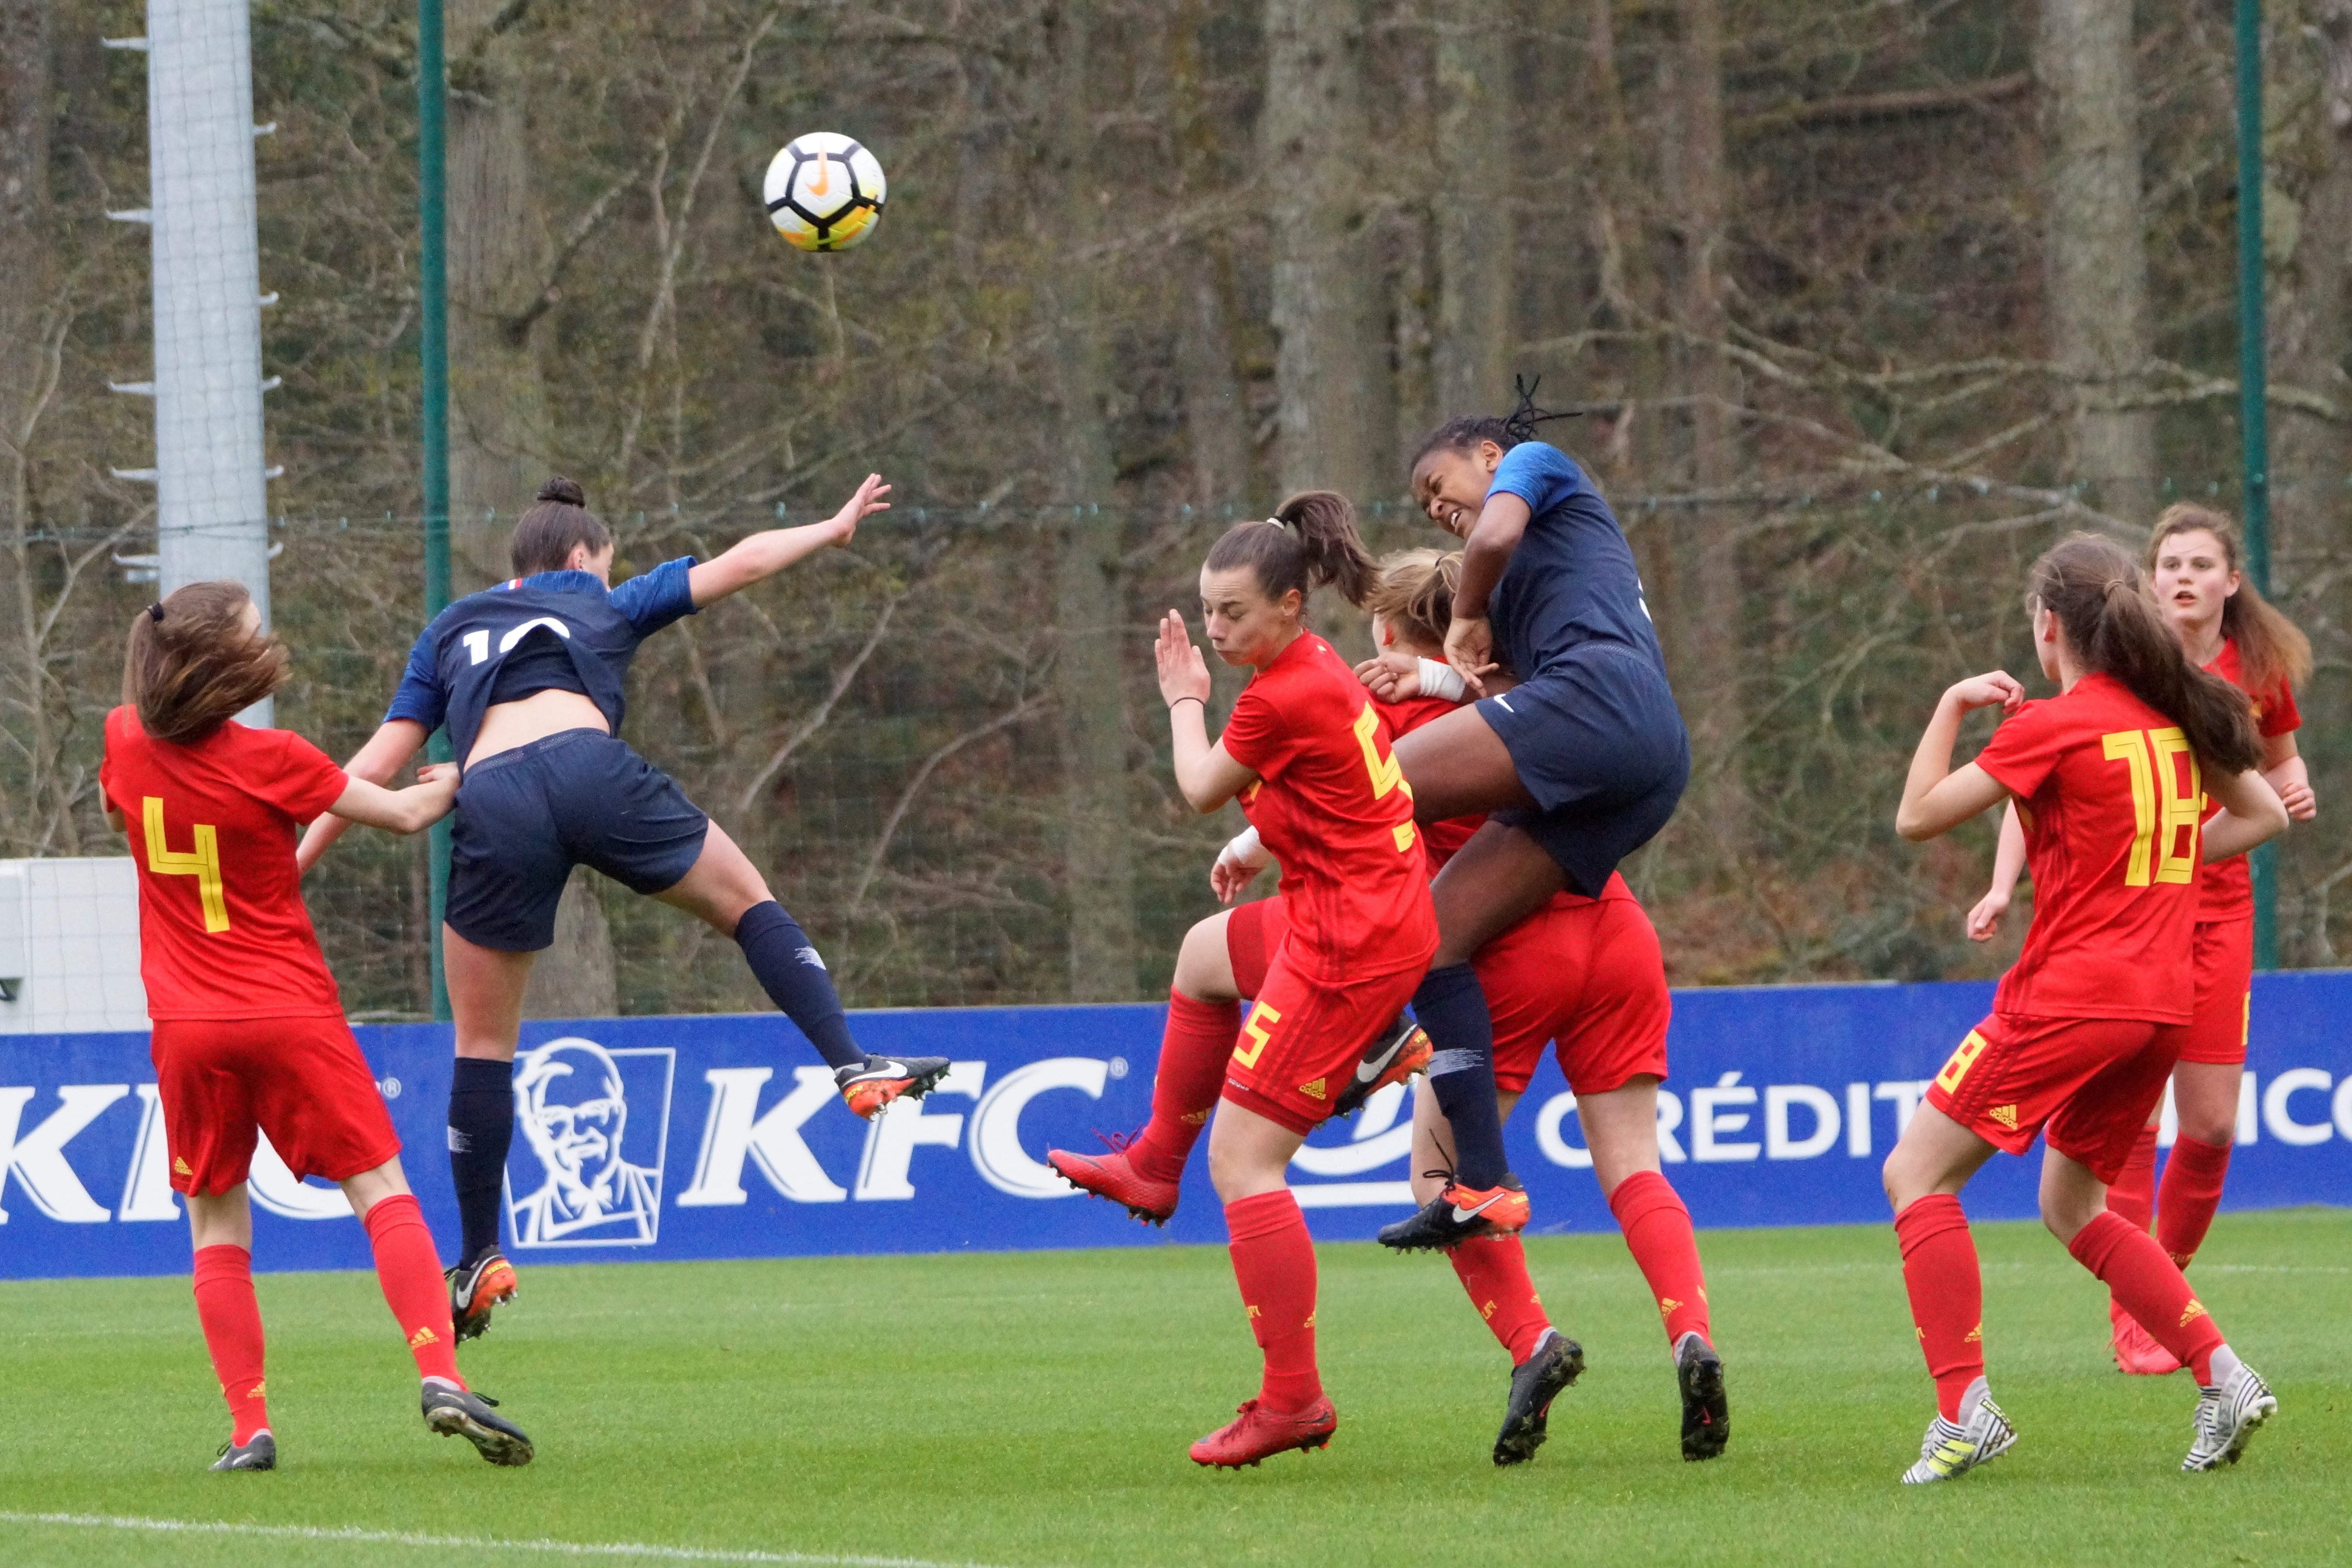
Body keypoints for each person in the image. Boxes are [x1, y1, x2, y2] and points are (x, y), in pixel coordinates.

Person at [1052, 549, 1724, 1466]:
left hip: (1484, 944)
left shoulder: (1377, 695)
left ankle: (1524, 1337)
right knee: (1633, 1165)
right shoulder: (1538, 705)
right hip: (1614, 930)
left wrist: (1247, 828)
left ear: (1383, 632)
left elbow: (1330, 791)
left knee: (1424, 1179)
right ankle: (1691, 1332)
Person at [296, 475, 948, 1339]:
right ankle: (850, 1064)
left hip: (492, 798)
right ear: (578, 561)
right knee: (748, 902)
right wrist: (830, 530)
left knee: (483, 1042)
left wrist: (293, 859)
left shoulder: (449, 626)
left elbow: (373, 763)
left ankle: (481, 1252)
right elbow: (738, 563)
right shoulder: (599, 601)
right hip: (591, 770)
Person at [101, 582, 531, 1471]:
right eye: (257, 631)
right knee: (380, 1192)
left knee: (217, 1225)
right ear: (224, 660)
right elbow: (409, 813)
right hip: (288, 1009)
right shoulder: (277, 757)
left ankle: (250, 1426)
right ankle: (439, 1373)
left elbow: (122, 812)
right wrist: (455, 777)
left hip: (186, 1024)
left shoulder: (121, 741)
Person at [1887, 534, 2287, 1484]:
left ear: (2047, 626)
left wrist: (1949, 706)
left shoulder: (2057, 722)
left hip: (2070, 994)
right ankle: (2221, 1374)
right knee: (2073, 1203)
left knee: (1916, 1173)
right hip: (2160, 1002)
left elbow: (1916, 815)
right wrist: (2165, 868)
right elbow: (2266, 812)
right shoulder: (2171, 715)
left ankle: (1962, 1411)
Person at [1966, 506, 2314, 1376]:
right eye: (2167, 563)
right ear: (2143, 582)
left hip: (2216, 908)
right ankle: (2139, 1318)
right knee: (2126, 1119)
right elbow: (2033, 780)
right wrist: (2003, 884)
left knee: (2212, 1120)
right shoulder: (2125, 668)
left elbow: (2277, 767)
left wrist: (2289, 790)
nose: (2181, 578)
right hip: (2129, 923)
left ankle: (2168, 1295)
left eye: (2200, 563)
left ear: (2232, 581)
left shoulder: (2254, 671)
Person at [1134, 497, 1438, 1468]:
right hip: (1358, 909)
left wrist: (1183, 695)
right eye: (1206, 613)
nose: (1216, 631)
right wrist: (1270, 841)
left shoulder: (1276, 692)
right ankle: (1149, 1160)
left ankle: (1293, 1399)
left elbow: (1197, 784)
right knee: (1202, 953)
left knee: (1244, 1162)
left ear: (1292, 605)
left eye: (1232, 614)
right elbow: (1335, 792)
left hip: (1349, 937)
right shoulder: (1304, 670)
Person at [1364, 384, 1691, 1251]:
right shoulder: (1519, 594)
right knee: (1435, 934)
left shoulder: (1537, 470)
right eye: (1424, 506)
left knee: (1365, 793)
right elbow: (1513, 709)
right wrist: (1450, 668)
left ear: (1488, 457)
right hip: (1637, 761)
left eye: (1441, 484)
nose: (1438, 507)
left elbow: (1498, 533)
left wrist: (1464, 615)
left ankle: (1360, 1029)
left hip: (1608, 708)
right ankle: (1482, 1178)